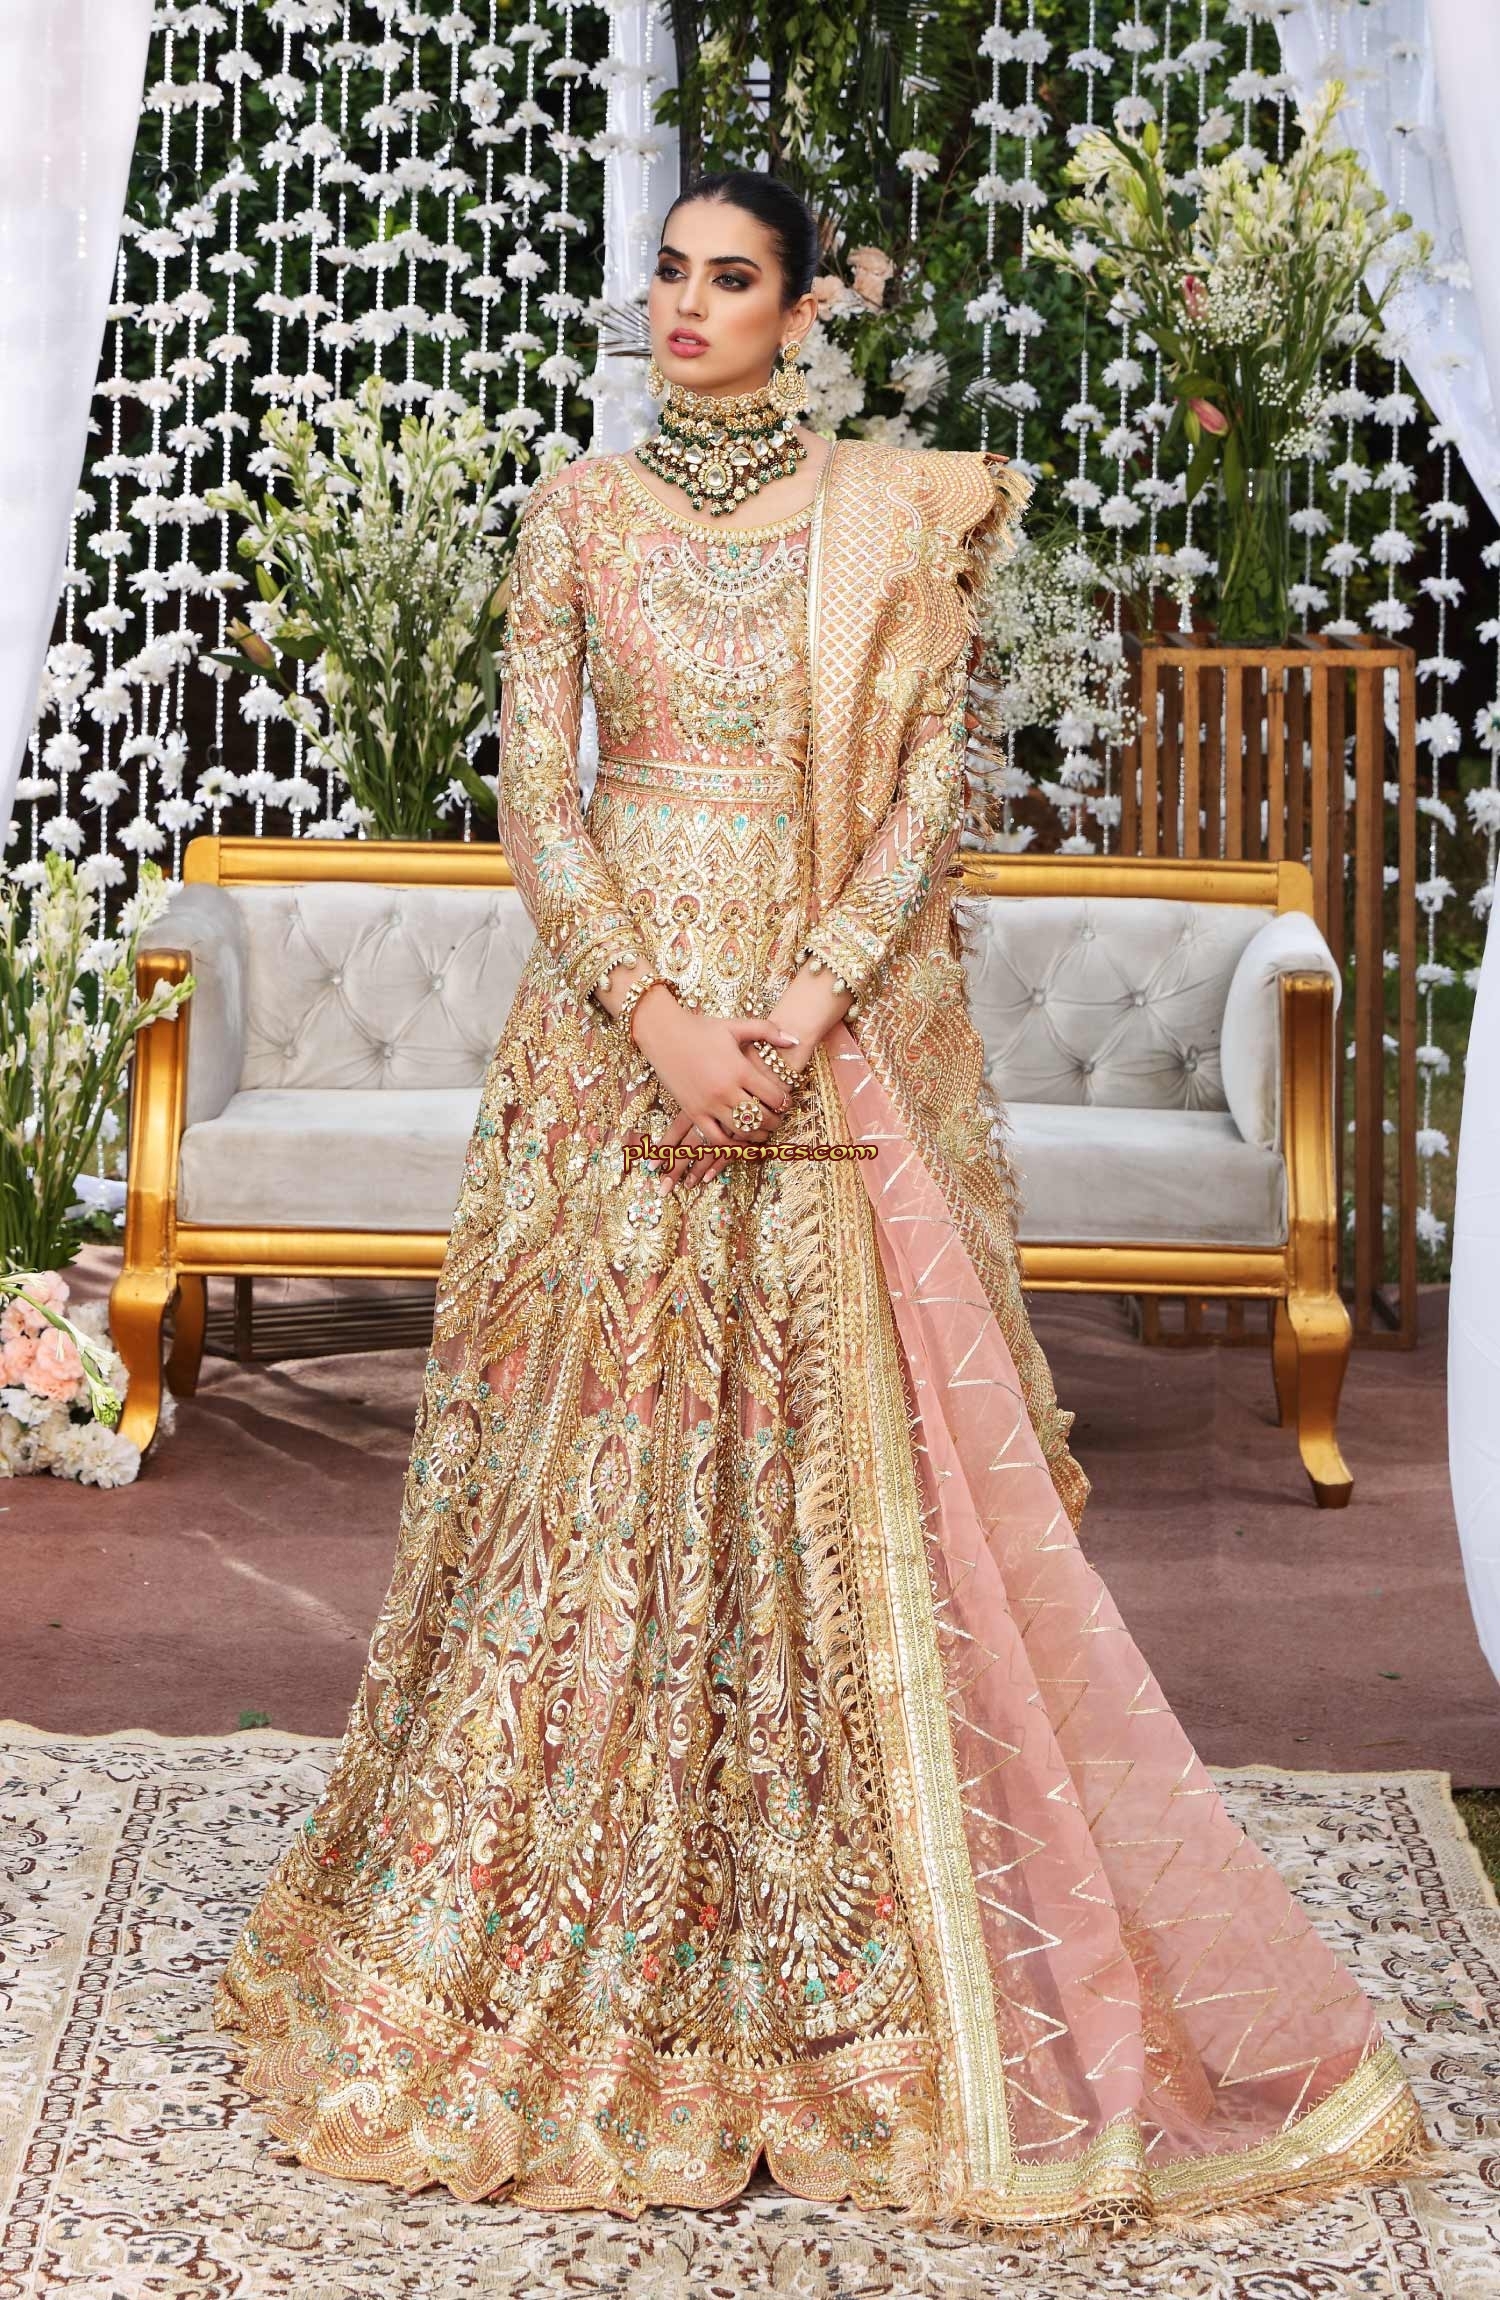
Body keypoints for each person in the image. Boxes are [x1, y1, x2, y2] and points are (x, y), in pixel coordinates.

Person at [213, 169, 1429, 2232]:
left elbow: (922, 808)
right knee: (588, 1485)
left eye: (731, 280)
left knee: (823, 1488)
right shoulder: (579, 515)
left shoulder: (896, 521)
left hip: (816, 1044)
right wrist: (658, 1018)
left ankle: (855, 1967)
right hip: (611, 1060)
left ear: (799, 316)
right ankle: (554, 1925)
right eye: (670, 275)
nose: (685, 306)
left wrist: (782, 1019)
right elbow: (538, 801)